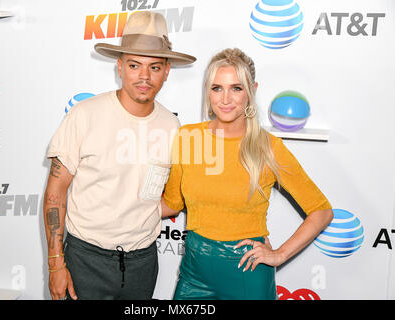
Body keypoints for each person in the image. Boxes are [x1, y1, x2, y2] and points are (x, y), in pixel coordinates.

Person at [43, 11, 196, 300]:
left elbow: (170, 199)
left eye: (154, 67)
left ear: (166, 71)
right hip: (83, 259)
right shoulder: (85, 115)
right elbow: (55, 192)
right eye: (135, 65)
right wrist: (55, 265)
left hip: (143, 262)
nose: (144, 76)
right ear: (119, 66)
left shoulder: (172, 126)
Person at [161, 48, 333, 300]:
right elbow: (172, 203)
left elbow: (322, 211)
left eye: (236, 88)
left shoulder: (268, 147)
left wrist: (280, 254)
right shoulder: (188, 137)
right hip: (193, 273)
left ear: (252, 90)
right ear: (207, 92)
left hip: (247, 272)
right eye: (217, 88)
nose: (225, 99)